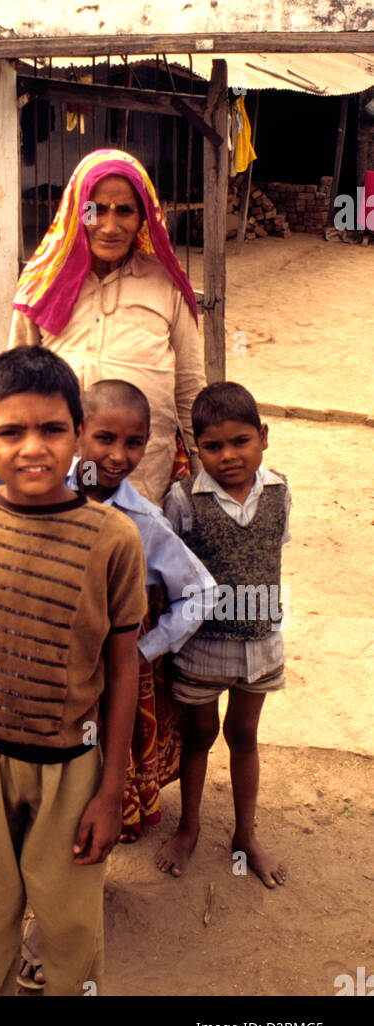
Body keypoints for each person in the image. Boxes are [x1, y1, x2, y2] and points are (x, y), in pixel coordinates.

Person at [0, 346, 147, 996]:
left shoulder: (114, 540)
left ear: (77, 433)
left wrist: (111, 791)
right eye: (11, 432)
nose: (33, 448)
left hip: (70, 769)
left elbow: (123, 663)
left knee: (71, 924)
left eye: (52, 429)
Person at [18, 378, 216, 990]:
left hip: (94, 696)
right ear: (76, 429)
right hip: (27, 684)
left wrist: (143, 650)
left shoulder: (141, 520)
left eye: (135, 443)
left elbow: (201, 592)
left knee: (78, 801)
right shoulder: (33, 494)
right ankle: (27, 906)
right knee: (26, 799)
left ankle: (51, 931)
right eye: (104, 437)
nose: (118, 455)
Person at [9, 149, 205, 505]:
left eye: (125, 211)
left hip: (144, 471)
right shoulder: (42, 283)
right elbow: (16, 381)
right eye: (95, 209)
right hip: (58, 470)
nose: (110, 226)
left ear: (143, 216)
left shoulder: (167, 284)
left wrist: (201, 465)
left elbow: (190, 384)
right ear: (76, 210)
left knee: (138, 551)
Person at [156, 381, 290, 888]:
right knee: (201, 734)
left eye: (240, 442)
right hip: (202, 647)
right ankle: (189, 828)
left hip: (261, 643)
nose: (228, 455)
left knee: (245, 735)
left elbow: (273, 552)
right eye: (212, 446)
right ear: (196, 448)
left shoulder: (279, 491)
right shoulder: (183, 500)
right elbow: (171, 569)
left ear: (263, 436)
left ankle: (245, 834)